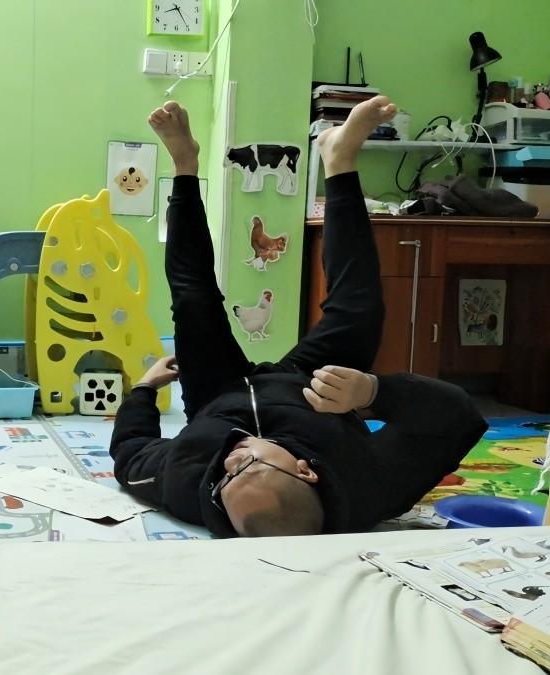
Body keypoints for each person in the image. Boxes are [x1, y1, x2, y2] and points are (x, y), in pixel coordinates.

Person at [109, 95, 488, 538]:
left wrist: (143, 390)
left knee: (194, 300)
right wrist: (373, 392)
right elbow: (459, 418)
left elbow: (131, 454)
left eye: (224, 481)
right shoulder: (369, 486)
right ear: (305, 471)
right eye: (247, 465)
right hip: (315, 389)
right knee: (359, 307)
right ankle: (339, 159)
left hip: (217, 393)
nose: (230, 459)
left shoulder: (193, 483)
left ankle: (185, 164)